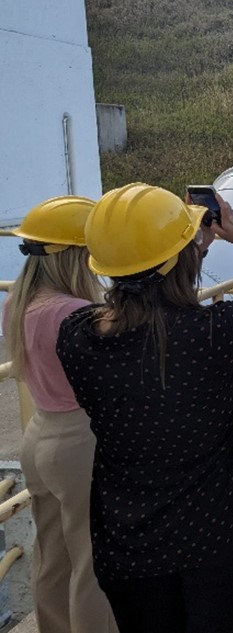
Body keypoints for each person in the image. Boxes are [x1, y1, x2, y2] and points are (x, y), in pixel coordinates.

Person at [56, 183, 233, 633]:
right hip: (219, 534)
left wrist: (184, 249)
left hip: (128, 542)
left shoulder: (77, 338)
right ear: (183, 258)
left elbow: (136, 318)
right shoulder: (215, 333)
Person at [2, 196, 117, 633]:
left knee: (52, 555)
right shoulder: (77, 312)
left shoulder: (17, 303)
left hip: (40, 433)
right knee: (92, 563)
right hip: (80, 441)